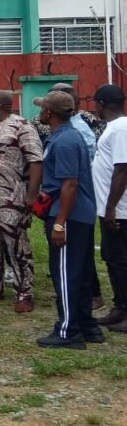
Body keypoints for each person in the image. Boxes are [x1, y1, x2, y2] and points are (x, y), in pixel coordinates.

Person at [34, 91, 103, 349]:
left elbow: (70, 184)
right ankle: (87, 326)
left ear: (49, 113)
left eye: (42, 108)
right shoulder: (68, 136)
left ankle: (68, 331)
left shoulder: (64, 141)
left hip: (69, 215)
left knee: (65, 274)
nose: (39, 112)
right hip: (79, 214)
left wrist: (60, 222)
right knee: (81, 272)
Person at [0, 90, 43, 312]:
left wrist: (31, 195)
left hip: (12, 198)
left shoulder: (21, 126)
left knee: (17, 247)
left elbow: (36, 161)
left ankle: (24, 292)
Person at [91, 84, 127, 331]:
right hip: (110, 208)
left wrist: (112, 207)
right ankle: (119, 307)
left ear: (102, 104)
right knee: (112, 258)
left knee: (121, 260)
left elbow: (122, 168)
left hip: (120, 210)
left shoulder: (121, 128)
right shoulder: (114, 128)